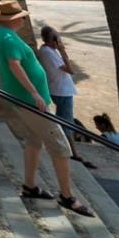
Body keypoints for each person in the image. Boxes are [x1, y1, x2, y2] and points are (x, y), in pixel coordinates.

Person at [0, 0, 95, 217]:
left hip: (26, 100)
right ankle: (67, 196)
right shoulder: (9, 38)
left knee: (34, 141)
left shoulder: (0, 33)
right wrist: (35, 93)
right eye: (21, 17)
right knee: (60, 146)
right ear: (14, 19)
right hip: (30, 102)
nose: (23, 20)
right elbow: (14, 65)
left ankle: (29, 186)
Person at [36, 25, 93, 168]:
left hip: (59, 89)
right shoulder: (49, 52)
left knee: (63, 120)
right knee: (66, 122)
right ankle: (72, 153)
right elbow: (70, 69)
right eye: (58, 37)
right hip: (62, 91)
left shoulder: (46, 51)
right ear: (53, 40)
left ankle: (66, 149)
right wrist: (62, 50)